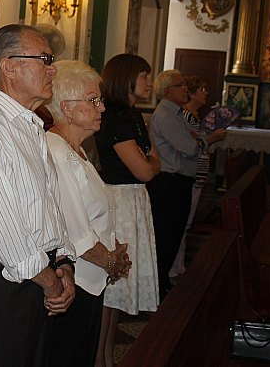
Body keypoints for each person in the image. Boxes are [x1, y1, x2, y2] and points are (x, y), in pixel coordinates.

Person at [0, 24, 76, 367]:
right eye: (45, 59)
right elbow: (3, 231)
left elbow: (48, 206)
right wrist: (52, 282)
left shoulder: (30, 126)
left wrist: (63, 262)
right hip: (1, 283)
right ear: (10, 66)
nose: (52, 69)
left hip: (37, 275)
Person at [45, 60, 130, 367]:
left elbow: (95, 210)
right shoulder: (56, 152)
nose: (102, 108)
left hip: (88, 278)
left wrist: (114, 250)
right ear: (67, 108)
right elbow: (75, 232)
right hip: (72, 281)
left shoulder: (76, 150)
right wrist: (110, 261)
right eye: (93, 100)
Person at [94, 53, 161, 367]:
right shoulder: (118, 117)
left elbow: (150, 160)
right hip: (119, 202)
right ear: (126, 79)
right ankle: (100, 358)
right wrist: (153, 163)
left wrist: (152, 161)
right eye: (144, 75)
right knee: (111, 290)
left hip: (132, 199)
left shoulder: (131, 114)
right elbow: (145, 169)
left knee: (116, 295)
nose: (149, 81)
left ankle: (107, 357)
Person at [148, 69, 225, 302]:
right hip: (170, 183)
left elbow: (192, 141)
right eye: (181, 86)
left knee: (174, 235)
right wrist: (201, 140)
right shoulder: (166, 115)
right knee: (166, 237)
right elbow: (190, 147)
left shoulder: (177, 113)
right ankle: (158, 286)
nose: (186, 90)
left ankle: (161, 284)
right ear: (168, 91)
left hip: (179, 181)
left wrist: (196, 140)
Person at [169, 76, 225, 277]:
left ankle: (178, 265)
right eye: (202, 88)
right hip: (188, 174)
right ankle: (175, 267)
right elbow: (190, 146)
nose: (206, 93)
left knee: (187, 222)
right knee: (182, 222)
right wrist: (213, 138)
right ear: (192, 93)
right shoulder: (185, 116)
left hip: (196, 174)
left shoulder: (194, 115)